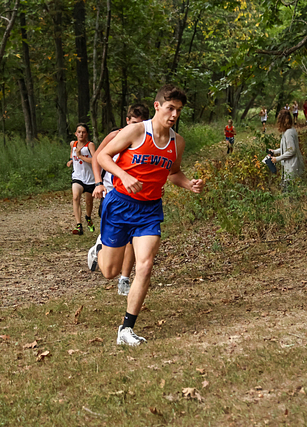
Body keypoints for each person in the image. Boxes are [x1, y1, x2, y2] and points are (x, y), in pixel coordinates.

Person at [88, 84, 204, 346]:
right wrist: (124, 175)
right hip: (120, 205)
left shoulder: (177, 142)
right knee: (110, 272)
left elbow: (174, 172)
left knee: (145, 265)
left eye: (179, 110)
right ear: (157, 106)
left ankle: (126, 329)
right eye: (170, 108)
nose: (174, 115)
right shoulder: (137, 131)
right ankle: (100, 246)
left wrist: (189, 184)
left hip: (149, 210)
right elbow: (103, 156)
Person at [91, 104, 150, 295]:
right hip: (112, 193)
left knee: (132, 238)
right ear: (127, 121)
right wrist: (98, 183)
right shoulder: (115, 136)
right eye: (133, 123)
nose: (136, 127)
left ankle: (124, 279)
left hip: (134, 195)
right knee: (117, 249)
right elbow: (97, 157)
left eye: (140, 124)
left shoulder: (146, 139)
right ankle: (100, 248)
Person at [66, 123, 96, 235]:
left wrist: (81, 157)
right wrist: (71, 160)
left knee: (89, 202)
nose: (81, 134)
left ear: (87, 134)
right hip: (77, 177)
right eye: (79, 132)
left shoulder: (90, 145)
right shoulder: (73, 144)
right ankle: (79, 225)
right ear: (75, 134)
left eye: (83, 132)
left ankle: (88, 217)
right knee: (75, 197)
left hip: (90, 178)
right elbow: (72, 154)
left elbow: (95, 160)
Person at [269, 109, 304, 188]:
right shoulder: (289, 131)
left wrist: (277, 159)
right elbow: (286, 148)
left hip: (292, 166)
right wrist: (275, 151)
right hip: (289, 166)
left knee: (289, 190)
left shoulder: (289, 133)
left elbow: (292, 150)